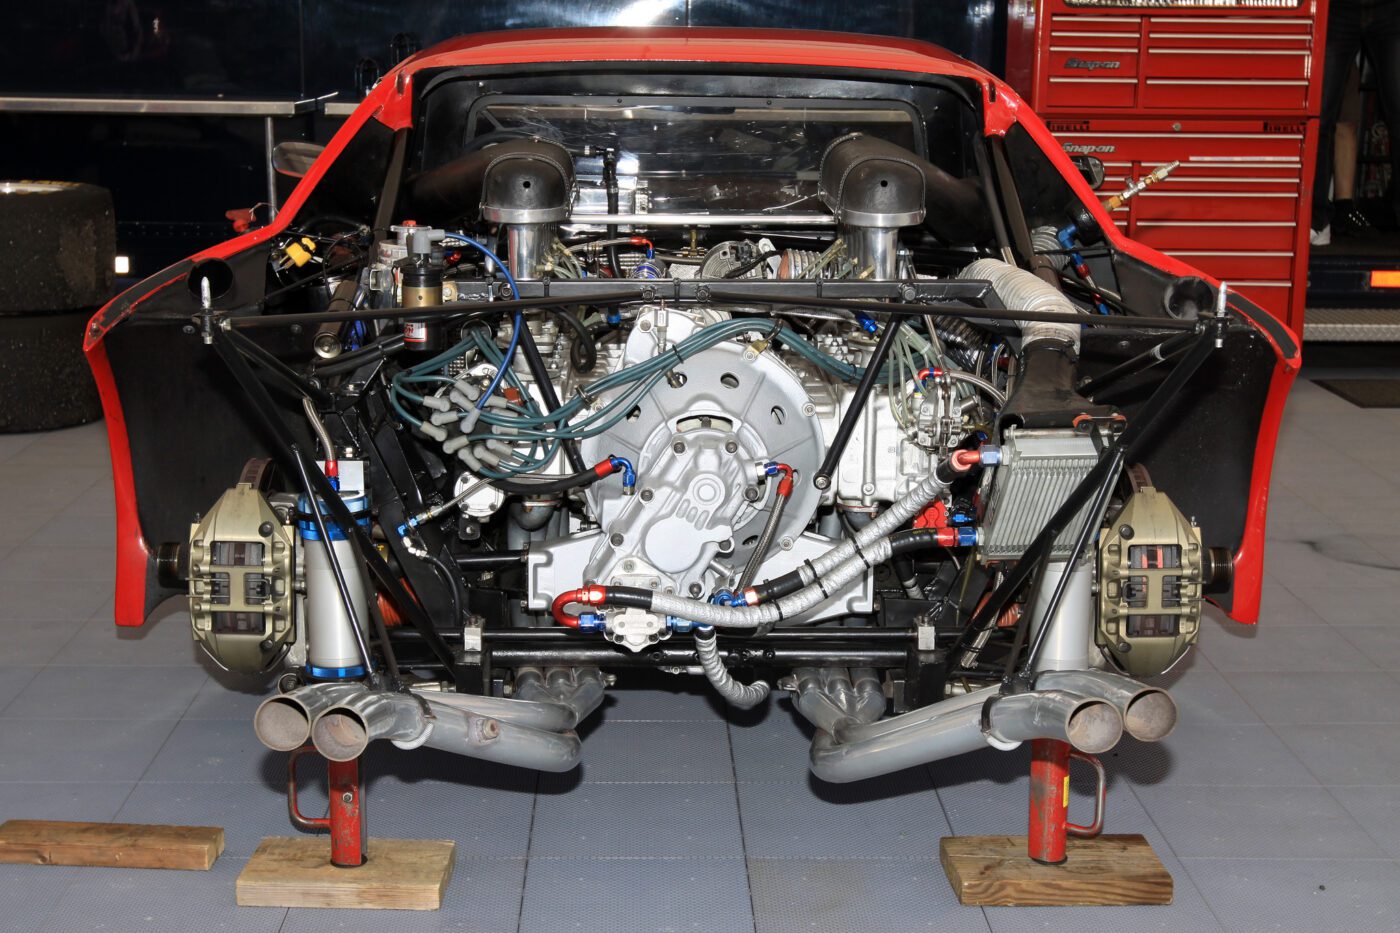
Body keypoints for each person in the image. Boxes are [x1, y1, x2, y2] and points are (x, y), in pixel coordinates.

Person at [1311, 0, 1400, 245]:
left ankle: (1318, 219)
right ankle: (1317, 220)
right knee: (1320, 116)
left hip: (1389, 10)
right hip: (1337, 10)